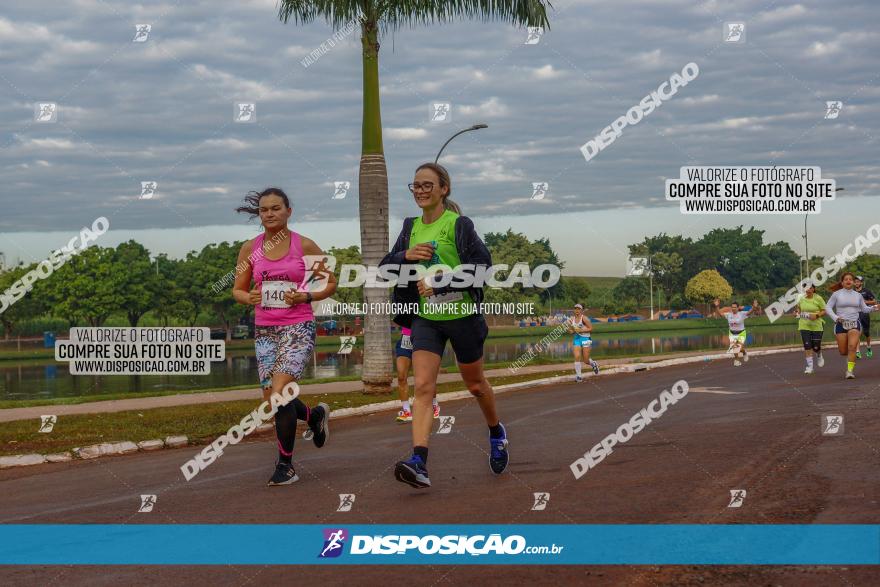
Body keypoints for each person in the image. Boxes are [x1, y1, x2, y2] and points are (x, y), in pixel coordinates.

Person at [381, 162, 507, 489]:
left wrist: (443, 283)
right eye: (416, 186)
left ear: (443, 189)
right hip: (426, 319)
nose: (421, 190)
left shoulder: (459, 225)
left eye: (427, 185)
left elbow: (483, 267)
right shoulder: (411, 227)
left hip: (462, 318)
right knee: (423, 387)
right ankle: (419, 461)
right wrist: (405, 255)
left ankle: (496, 432)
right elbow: (384, 268)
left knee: (476, 384)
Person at [232, 187, 337, 485]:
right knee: (275, 399)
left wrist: (305, 295)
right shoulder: (249, 249)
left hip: (297, 327)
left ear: (288, 211)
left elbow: (330, 283)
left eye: (276, 208)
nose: (269, 214)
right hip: (265, 330)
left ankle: (285, 466)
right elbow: (237, 289)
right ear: (259, 214)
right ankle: (314, 416)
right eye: (264, 210)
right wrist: (248, 297)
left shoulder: (304, 245)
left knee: (279, 393)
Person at [826, 272, 878, 379]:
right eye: (846, 279)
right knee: (843, 351)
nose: (849, 281)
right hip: (840, 324)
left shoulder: (858, 295)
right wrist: (836, 318)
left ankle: (849, 371)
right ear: (842, 282)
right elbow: (828, 308)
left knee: (852, 347)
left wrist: (874, 308)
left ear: (854, 282)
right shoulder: (837, 294)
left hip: (855, 323)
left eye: (851, 279)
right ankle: (849, 358)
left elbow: (864, 309)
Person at [395, 326, 440, 422]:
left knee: (426, 376)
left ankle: (434, 405)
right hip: (405, 339)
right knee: (401, 377)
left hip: (421, 338)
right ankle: (406, 411)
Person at [713, 298, 758, 366]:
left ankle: (744, 353)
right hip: (732, 333)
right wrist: (716, 306)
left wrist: (754, 307)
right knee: (734, 348)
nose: (733, 308)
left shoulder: (742, 314)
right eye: (732, 307)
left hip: (741, 333)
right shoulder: (729, 314)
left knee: (739, 347)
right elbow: (720, 314)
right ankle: (737, 360)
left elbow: (750, 312)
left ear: (738, 308)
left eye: (735, 307)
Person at [794, 282, 826, 374]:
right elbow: (798, 309)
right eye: (806, 288)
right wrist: (796, 312)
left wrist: (816, 316)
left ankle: (819, 354)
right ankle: (810, 367)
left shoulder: (818, 298)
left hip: (817, 325)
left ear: (813, 289)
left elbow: (824, 310)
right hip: (804, 324)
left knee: (815, 347)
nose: (808, 290)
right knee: (807, 346)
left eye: (810, 288)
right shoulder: (801, 298)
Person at [568, 304, 599, 382]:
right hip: (577, 339)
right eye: (575, 309)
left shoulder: (584, 318)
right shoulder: (572, 319)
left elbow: (591, 329)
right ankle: (579, 377)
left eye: (579, 309)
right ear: (574, 310)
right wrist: (570, 331)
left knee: (586, 360)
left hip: (586, 338)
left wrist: (581, 330)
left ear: (581, 310)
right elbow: (571, 330)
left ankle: (593, 364)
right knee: (577, 356)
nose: (577, 311)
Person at [854, 276, 876, 359]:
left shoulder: (866, 291)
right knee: (856, 332)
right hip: (855, 314)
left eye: (858, 281)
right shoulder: (851, 292)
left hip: (865, 313)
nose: (856, 283)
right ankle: (857, 351)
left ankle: (869, 348)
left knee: (866, 333)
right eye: (855, 281)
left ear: (861, 283)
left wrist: (866, 302)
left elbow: (874, 301)